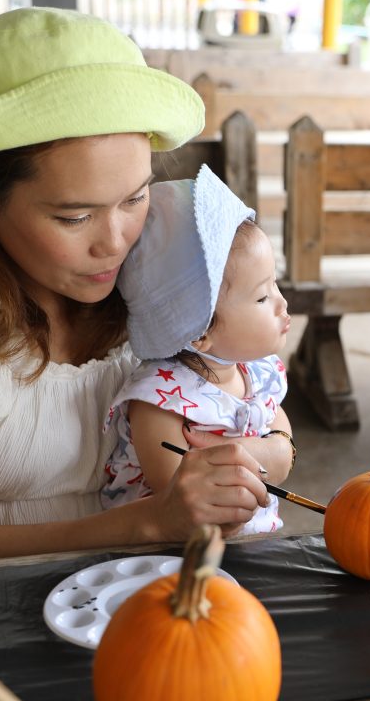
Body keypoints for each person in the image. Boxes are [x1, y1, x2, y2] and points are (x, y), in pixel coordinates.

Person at [0, 8, 291, 575]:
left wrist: (257, 456)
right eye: (73, 216)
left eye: (134, 198)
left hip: (116, 584)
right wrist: (156, 521)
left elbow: (248, 392)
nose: (114, 244)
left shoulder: (165, 254)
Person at [101, 166, 292, 535]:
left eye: (275, 285)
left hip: (252, 543)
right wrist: (267, 454)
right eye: (262, 296)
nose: (283, 305)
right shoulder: (159, 400)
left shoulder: (254, 369)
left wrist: (273, 450)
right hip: (176, 559)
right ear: (200, 332)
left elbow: (276, 422)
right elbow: (178, 500)